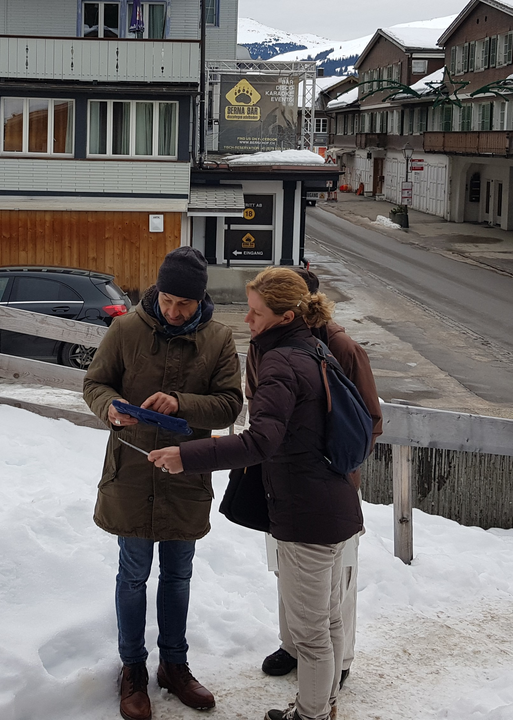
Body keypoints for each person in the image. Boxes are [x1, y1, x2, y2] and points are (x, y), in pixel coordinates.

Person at [150, 267, 364, 720]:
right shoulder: (314, 346)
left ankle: (311, 715)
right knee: (327, 622)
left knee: (310, 635)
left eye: (255, 312)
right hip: (335, 502)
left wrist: (186, 456)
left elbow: (260, 440)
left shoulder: (282, 362)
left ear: (284, 316)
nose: (246, 321)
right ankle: (322, 707)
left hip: (306, 515)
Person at [83, 247, 244, 720]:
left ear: (201, 301)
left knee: (178, 575)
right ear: (158, 291)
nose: (174, 312)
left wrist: (182, 403)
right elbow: (95, 384)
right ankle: (133, 669)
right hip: (132, 472)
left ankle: (175, 665)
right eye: (169, 300)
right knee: (133, 575)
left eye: (185, 305)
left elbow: (230, 404)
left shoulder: (218, 340)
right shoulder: (126, 329)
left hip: (185, 475)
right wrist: (110, 407)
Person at [261, 267, 383, 689]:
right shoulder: (267, 346)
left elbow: (370, 422)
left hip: (330, 487)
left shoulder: (342, 348)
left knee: (337, 582)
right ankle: (293, 644)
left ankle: (340, 656)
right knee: (288, 568)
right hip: (281, 481)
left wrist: (331, 463)